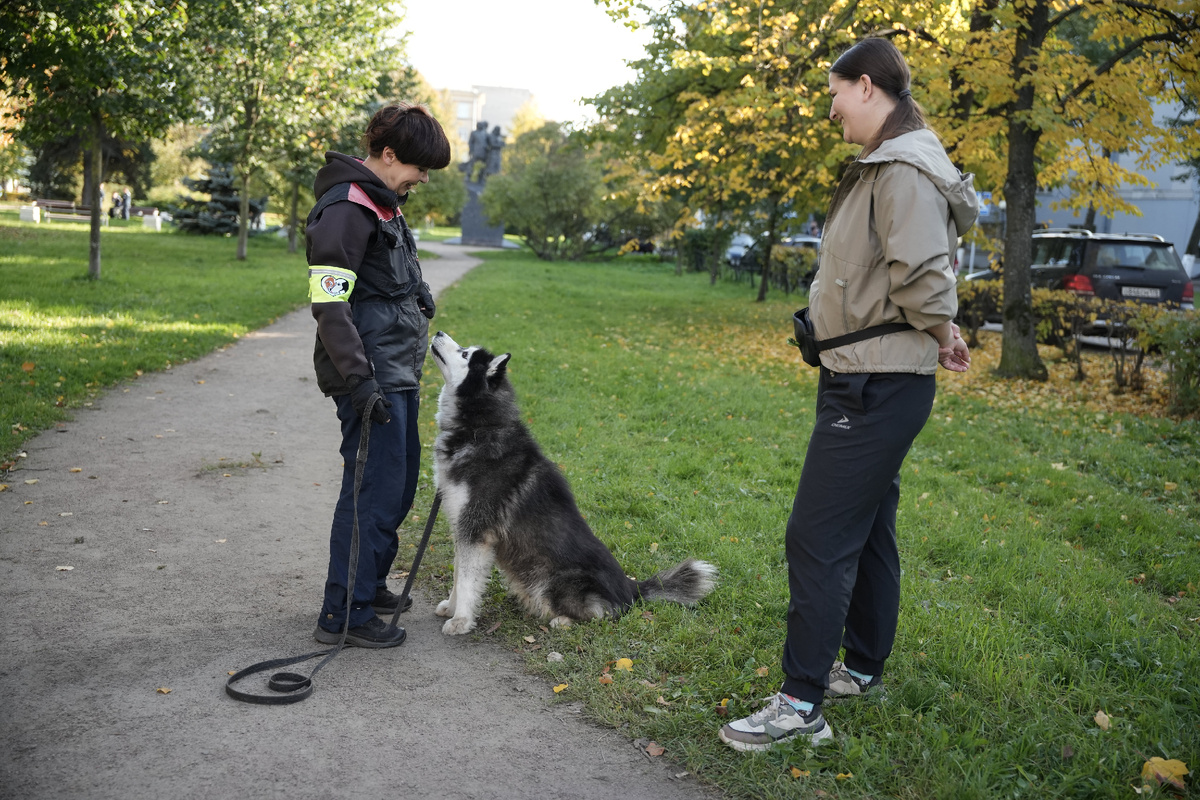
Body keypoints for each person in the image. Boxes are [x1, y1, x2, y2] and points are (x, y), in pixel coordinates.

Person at [719, 37, 977, 752]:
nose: (831, 109)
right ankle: (860, 669)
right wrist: (941, 332)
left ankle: (800, 704)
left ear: (867, 86)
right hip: (870, 374)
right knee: (866, 529)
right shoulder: (893, 164)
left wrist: (941, 326)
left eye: (835, 94)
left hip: (875, 384)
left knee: (818, 536)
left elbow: (925, 272)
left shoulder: (902, 169)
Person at [305, 103, 451, 648]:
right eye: (419, 167)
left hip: (398, 368)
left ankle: (369, 584)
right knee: (370, 490)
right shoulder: (346, 208)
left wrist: (418, 291)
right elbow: (330, 304)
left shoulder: (386, 203)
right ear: (388, 155)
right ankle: (344, 613)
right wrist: (360, 381)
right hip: (368, 375)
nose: (423, 178)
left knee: (397, 484)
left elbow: (385, 275)